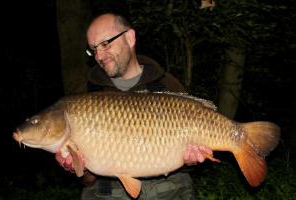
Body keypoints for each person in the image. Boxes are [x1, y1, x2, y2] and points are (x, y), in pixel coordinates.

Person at [80, 12, 212, 200]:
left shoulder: (167, 85)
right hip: (109, 193)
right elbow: (87, 180)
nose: (99, 55)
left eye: (105, 44)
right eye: (93, 49)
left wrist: (191, 160)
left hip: (168, 190)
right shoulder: (86, 95)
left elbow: (189, 165)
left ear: (130, 37)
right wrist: (79, 167)